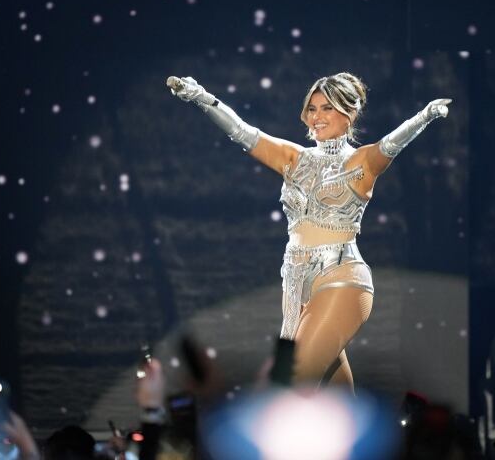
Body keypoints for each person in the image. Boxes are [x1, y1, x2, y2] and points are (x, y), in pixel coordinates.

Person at [167, 73, 451, 392]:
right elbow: (242, 132)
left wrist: (424, 116)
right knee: (336, 400)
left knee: (287, 381)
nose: (317, 117)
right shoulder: (294, 158)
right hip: (296, 287)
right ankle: (358, 440)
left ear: (350, 112)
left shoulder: (362, 162)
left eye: (327, 108)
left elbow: (392, 144)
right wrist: (203, 97)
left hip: (341, 280)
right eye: (312, 108)